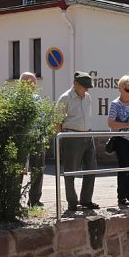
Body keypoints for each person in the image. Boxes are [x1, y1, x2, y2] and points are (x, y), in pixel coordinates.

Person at [56, 70, 99, 211]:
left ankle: (86, 200)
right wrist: (62, 140)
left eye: (88, 86)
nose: (87, 89)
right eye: (84, 86)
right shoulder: (65, 98)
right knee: (71, 171)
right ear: (75, 84)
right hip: (72, 136)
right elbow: (57, 122)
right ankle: (72, 202)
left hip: (88, 135)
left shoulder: (88, 97)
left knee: (91, 169)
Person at [107, 74, 129, 207]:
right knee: (124, 167)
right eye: (128, 90)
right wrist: (127, 125)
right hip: (121, 139)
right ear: (121, 88)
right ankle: (121, 196)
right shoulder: (115, 104)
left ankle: (128, 193)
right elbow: (110, 123)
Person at [19, 72, 46, 207]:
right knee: (18, 170)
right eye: (31, 83)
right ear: (23, 83)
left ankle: (34, 200)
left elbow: (41, 118)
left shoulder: (37, 98)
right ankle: (13, 201)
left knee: (38, 170)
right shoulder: (16, 99)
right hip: (22, 140)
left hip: (37, 139)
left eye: (35, 83)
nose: (34, 86)